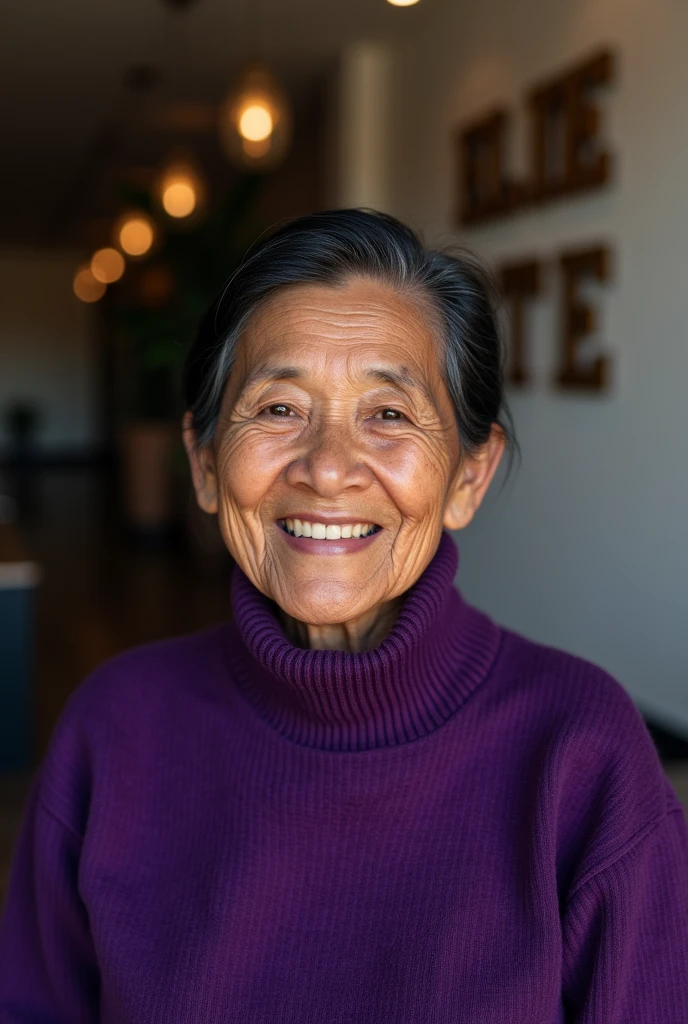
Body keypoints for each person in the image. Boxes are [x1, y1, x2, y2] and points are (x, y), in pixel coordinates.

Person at [1, 209, 686, 1023]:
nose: (327, 469)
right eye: (279, 409)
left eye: (388, 415)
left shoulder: (581, 753)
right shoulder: (114, 730)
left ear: (469, 476)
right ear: (206, 463)